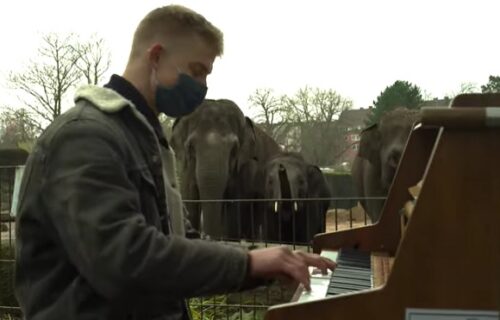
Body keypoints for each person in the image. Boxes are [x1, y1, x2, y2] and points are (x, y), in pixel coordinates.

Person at [14, 5, 336, 320]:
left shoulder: (147, 140)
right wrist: (249, 265)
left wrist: (266, 259)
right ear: (155, 57)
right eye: (196, 71)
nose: (202, 86)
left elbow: (180, 244)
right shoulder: (84, 137)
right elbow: (126, 260)